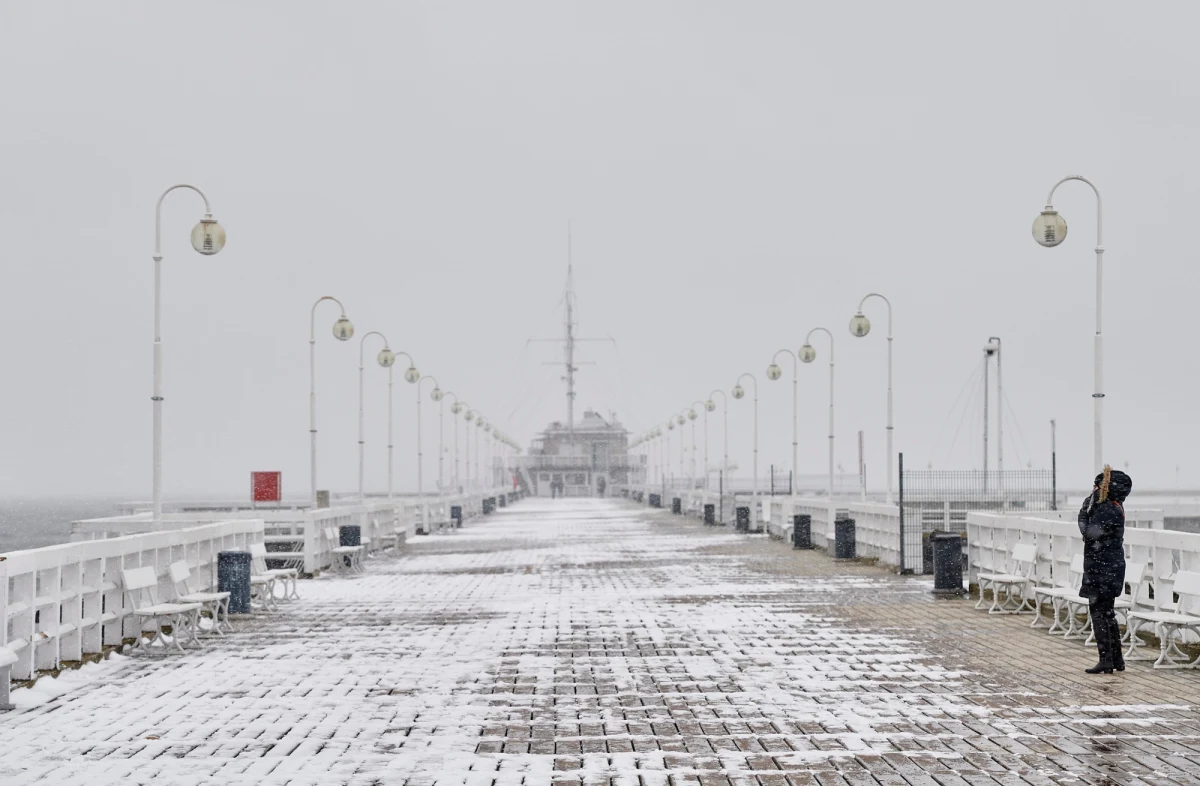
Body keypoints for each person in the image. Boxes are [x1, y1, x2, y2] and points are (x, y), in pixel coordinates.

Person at [1078, 465, 1133, 674]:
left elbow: (1090, 532)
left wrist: (1084, 511)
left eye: (1096, 485)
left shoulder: (1107, 508)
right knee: (1107, 613)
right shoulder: (1115, 505)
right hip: (1109, 567)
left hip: (1102, 568)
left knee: (1099, 613)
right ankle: (1116, 660)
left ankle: (1106, 659)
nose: (1093, 489)